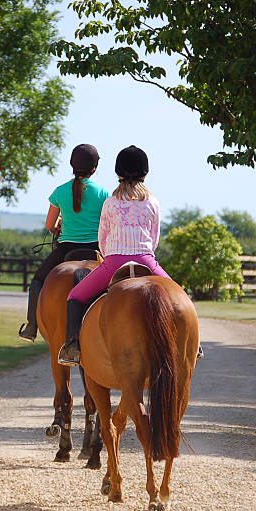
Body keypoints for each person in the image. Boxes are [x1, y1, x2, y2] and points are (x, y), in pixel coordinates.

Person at [57, 145, 171, 365]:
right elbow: (154, 239)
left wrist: (112, 257)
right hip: (146, 260)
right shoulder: (153, 202)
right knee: (179, 297)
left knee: (75, 297)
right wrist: (143, 254)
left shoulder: (110, 203)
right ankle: (194, 345)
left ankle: (72, 346)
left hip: (114, 262)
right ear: (145, 173)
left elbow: (103, 238)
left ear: (118, 173)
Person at [18, 144, 110, 341]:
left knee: (37, 280)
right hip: (96, 249)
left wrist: (59, 226)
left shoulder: (60, 191)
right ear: (94, 168)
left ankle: (32, 326)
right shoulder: (103, 193)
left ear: (72, 165)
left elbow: (49, 224)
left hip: (67, 248)